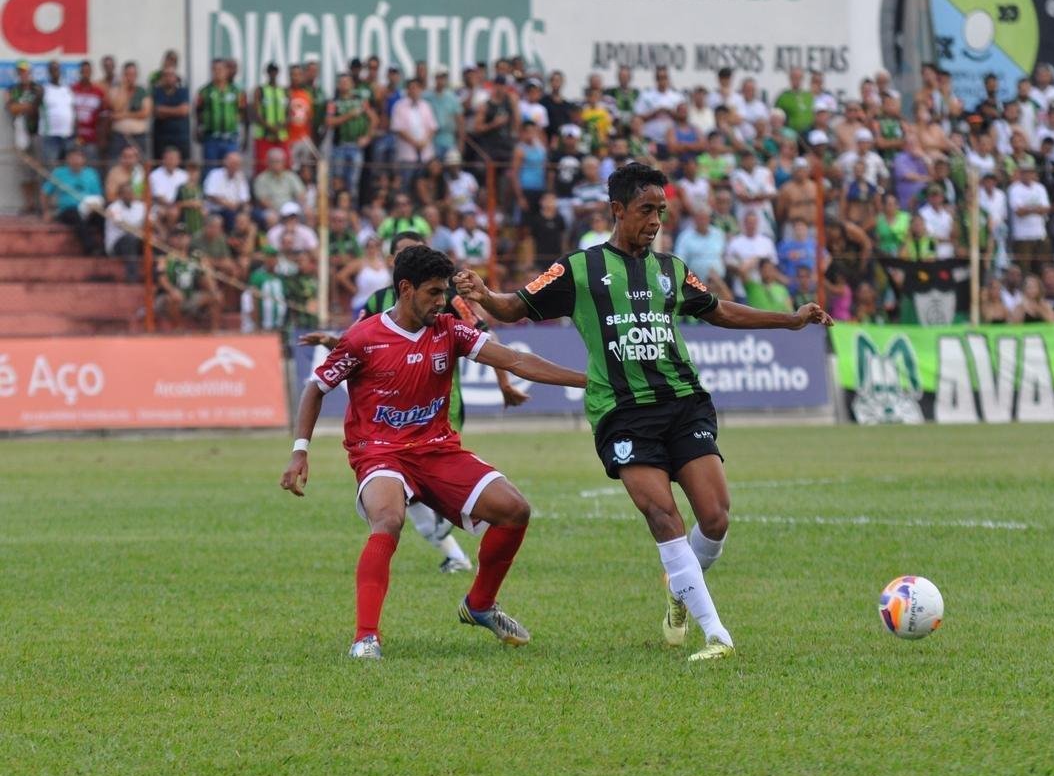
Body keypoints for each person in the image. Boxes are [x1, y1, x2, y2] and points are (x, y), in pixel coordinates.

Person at [454, 162, 832, 662]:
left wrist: (789, 321)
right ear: (617, 210)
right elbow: (515, 307)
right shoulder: (579, 269)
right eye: (645, 210)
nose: (655, 221)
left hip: (683, 403)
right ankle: (716, 634)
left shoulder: (672, 269)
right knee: (662, 514)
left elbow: (718, 310)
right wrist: (485, 296)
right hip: (623, 413)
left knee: (715, 519)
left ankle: (680, 594)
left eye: (661, 211)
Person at [281, 246, 586, 659]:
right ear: (405, 289)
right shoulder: (363, 337)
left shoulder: (449, 329)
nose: (442, 302)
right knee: (388, 519)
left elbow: (514, 360)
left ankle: (479, 605)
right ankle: (365, 638)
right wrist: (300, 451)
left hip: (437, 449)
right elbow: (316, 387)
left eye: (444, 292)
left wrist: (590, 381)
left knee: (515, 510)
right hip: (380, 452)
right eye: (433, 293)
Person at [40, 146, 103, 254]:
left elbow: (97, 195)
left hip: (88, 208)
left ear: (84, 159)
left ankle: (108, 247)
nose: (76, 160)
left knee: (101, 218)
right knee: (75, 216)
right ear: (67, 159)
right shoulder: (59, 173)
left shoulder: (91, 173)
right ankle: (90, 248)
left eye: (79, 157)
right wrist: (47, 211)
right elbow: (45, 193)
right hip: (68, 210)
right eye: (72, 157)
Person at [327, 73, 376, 200]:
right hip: (339, 146)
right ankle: (337, 205)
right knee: (337, 180)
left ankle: (352, 209)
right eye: (341, 82)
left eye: (347, 81)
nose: (344, 84)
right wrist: (349, 115)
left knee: (353, 181)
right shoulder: (334, 102)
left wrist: (367, 137)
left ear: (352, 84)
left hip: (356, 146)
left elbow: (374, 119)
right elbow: (329, 122)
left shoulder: (360, 101)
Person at [195, 59, 246, 178]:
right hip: (211, 138)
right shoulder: (204, 91)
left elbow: (242, 112)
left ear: (227, 71)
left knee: (232, 169)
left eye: (221, 69)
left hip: (230, 138)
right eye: (215, 69)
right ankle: (210, 195)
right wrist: (197, 129)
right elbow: (198, 111)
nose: (218, 72)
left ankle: (231, 195)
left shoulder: (237, 91)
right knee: (210, 170)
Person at [8, 60, 44, 213]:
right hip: (21, 132)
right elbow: (12, 108)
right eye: (20, 71)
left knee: (39, 169)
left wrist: (23, 107)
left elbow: (41, 107)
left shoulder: (38, 88)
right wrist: (29, 107)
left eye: (25, 71)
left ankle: (39, 204)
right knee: (24, 170)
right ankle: (28, 204)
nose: (23, 74)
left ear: (30, 72)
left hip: (37, 132)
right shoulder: (14, 89)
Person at [1007, 157, 1051, 272]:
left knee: (1043, 268)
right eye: (1025, 172)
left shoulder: (1040, 188)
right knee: (1024, 269)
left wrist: (1028, 209)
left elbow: (1046, 209)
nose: (1027, 175)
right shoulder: (1014, 189)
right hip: (1022, 236)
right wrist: (1036, 209)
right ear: (1020, 173)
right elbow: (1019, 212)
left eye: (1030, 172)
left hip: (1040, 234)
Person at [107, 61, 150, 160]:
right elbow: (116, 108)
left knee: (139, 166)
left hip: (138, 137)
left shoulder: (142, 91)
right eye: (128, 74)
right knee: (116, 164)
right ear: (123, 75)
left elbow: (145, 113)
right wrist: (123, 88)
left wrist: (124, 115)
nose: (130, 77)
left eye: (133, 74)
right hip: (119, 137)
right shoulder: (115, 90)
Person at [104, 181, 146, 281]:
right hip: (117, 245)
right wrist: (140, 228)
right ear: (120, 195)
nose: (129, 195)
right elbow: (122, 225)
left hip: (137, 239)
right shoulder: (113, 207)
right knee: (129, 239)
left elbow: (151, 221)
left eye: (131, 192)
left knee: (153, 239)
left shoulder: (140, 206)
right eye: (126, 193)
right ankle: (132, 277)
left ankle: (154, 276)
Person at [252, 62, 289, 172]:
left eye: (275, 71)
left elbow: (288, 113)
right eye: (271, 71)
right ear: (267, 73)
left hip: (281, 135)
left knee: (284, 165)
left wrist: (280, 127)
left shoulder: (284, 91)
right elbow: (256, 113)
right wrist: (270, 128)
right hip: (264, 135)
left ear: (278, 72)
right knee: (262, 166)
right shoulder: (260, 90)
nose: (273, 73)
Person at [71, 60, 106, 170]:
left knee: (92, 169)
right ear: (80, 72)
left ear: (91, 73)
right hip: (74, 138)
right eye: (83, 71)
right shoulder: (71, 90)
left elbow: (103, 117)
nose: (85, 74)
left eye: (88, 71)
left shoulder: (99, 92)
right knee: (74, 168)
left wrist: (102, 138)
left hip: (92, 139)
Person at [40, 60, 75, 165]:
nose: (55, 72)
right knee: (50, 169)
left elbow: (72, 110)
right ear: (49, 72)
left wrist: (75, 132)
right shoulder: (43, 89)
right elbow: (34, 111)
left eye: (57, 69)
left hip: (67, 135)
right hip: (50, 136)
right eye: (52, 70)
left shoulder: (67, 89)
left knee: (67, 169)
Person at [151, 66, 190, 162]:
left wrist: (165, 110)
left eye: (171, 75)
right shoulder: (157, 92)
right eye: (165, 75)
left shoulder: (183, 91)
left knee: (182, 166)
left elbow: (184, 111)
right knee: (160, 166)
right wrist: (177, 110)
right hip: (161, 138)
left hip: (181, 137)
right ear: (162, 78)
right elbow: (157, 111)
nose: (168, 78)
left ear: (176, 78)